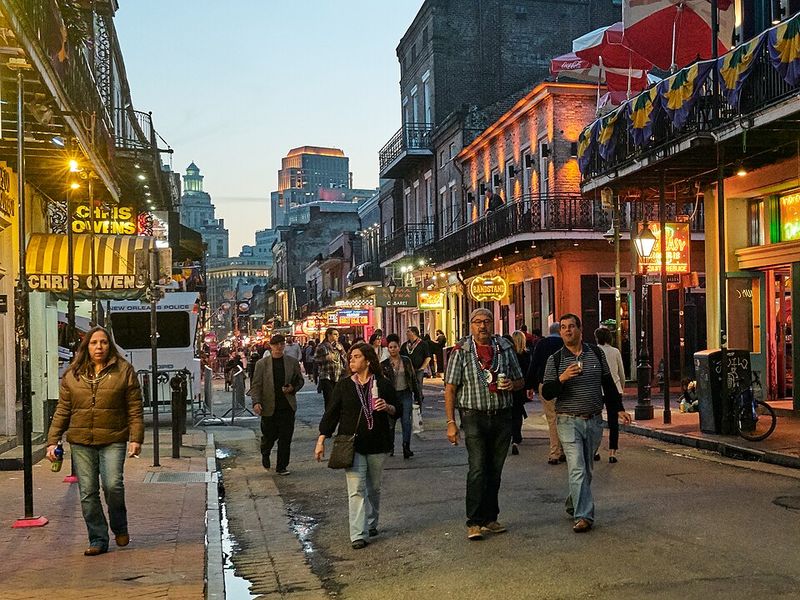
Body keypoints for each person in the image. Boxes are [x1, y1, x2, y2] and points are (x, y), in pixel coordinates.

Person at [46, 326, 144, 556]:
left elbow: (134, 408)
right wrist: (53, 440)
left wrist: (136, 438)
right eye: (94, 343)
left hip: (113, 438)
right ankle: (98, 538)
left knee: (113, 485)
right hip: (81, 441)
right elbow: (63, 410)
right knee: (88, 492)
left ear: (110, 346)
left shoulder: (124, 370)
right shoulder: (73, 374)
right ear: (86, 347)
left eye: (103, 342)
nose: (99, 347)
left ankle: (120, 526)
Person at [541, 314, 631, 533]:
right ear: (560, 332)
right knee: (577, 468)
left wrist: (618, 408)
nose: (567, 330)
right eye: (564, 327)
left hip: (593, 420)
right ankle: (584, 516)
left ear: (580, 330)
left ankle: (574, 502)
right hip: (568, 420)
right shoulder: (555, 359)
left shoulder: (596, 353)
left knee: (586, 470)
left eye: (572, 326)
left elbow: (608, 383)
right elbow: (547, 392)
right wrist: (562, 378)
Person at [444, 308, 524, 540]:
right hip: (473, 416)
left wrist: (512, 384)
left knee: (495, 469)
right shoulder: (462, 350)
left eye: (487, 321)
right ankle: (474, 521)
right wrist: (451, 422)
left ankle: (490, 518)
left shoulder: (504, 348)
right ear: (471, 325)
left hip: (501, 415)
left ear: (492, 324)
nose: (482, 326)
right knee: (478, 467)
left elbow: (520, 379)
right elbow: (450, 388)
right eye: (478, 322)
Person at [315, 343, 399, 549]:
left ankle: (371, 523)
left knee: (374, 489)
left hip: (378, 443)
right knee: (356, 490)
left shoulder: (383, 383)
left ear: (368, 361)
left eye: (357, 356)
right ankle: (358, 534)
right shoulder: (344, 386)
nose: (351, 360)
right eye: (351, 357)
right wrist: (321, 440)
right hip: (353, 445)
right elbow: (332, 414)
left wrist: (387, 407)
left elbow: (399, 408)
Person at [251, 334, 305, 475]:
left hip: (287, 406)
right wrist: (256, 402)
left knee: (285, 438)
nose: (279, 347)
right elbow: (256, 385)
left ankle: (282, 466)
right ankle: (265, 451)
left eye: (281, 344)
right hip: (269, 406)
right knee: (269, 436)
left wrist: (292, 388)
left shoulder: (292, 362)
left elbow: (300, 380)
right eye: (276, 344)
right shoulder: (262, 364)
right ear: (271, 346)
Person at [530, 322, 566, 465]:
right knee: (564, 417)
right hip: (564, 383)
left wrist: (530, 385)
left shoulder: (542, 344)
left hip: (545, 384)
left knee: (552, 419)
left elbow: (534, 364)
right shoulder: (564, 343)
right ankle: (564, 450)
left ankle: (554, 452)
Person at [381, 333, 422, 459]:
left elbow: (413, 378)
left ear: (399, 347)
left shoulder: (406, 361)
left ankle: (406, 447)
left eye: (395, 347)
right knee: (391, 424)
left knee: (406, 421)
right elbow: (382, 383)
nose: (393, 349)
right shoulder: (384, 364)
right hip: (391, 397)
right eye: (390, 347)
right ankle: (390, 447)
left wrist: (417, 395)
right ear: (388, 349)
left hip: (405, 394)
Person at [595, 326, 626, 463]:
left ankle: (595, 449)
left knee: (596, 420)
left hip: (599, 389)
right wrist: (621, 387)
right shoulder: (615, 351)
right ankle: (612, 452)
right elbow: (621, 372)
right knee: (613, 422)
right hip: (614, 389)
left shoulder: (594, 351)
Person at [510, 331, 534, 456]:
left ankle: (511, 435)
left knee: (510, 411)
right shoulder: (526, 354)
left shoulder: (510, 354)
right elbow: (529, 370)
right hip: (521, 386)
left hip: (511, 386)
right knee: (518, 412)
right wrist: (529, 386)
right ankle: (516, 436)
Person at [315, 328, 346, 410]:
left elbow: (346, 358)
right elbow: (315, 360)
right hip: (327, 375)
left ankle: (337, 415)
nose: (337, 336)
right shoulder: (322, 346)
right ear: (329, 335)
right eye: (335, 334)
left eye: (338, 334)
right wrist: (325, 358)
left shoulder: (339, 345)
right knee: (329, 399)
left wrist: (341, 351)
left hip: (338, 375)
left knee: (338, 399)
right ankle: (329, 415)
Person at [401, 326, 431, 406]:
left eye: (408, 331)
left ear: (413, 333)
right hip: (407, 369)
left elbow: (428, 357)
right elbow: (400, 357)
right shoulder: (405, 345)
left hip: (418, 369)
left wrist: (422, 367)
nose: (406, 333)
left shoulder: (423, 344)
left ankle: (418, 401)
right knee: (408, 386)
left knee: (418, 386)